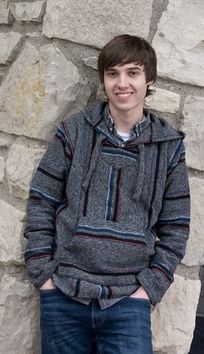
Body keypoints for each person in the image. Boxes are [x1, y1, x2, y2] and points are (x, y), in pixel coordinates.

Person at [24, 34, 190, 354]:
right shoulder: (74, 131)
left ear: (149, 79)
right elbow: (41, 201)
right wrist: (44, 275)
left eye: (132, 72)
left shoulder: (168, 147)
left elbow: (176, 227)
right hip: (63, 294)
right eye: (113, 73)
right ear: (103, 79)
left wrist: (148, 288)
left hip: (128, 302)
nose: (121, 83)